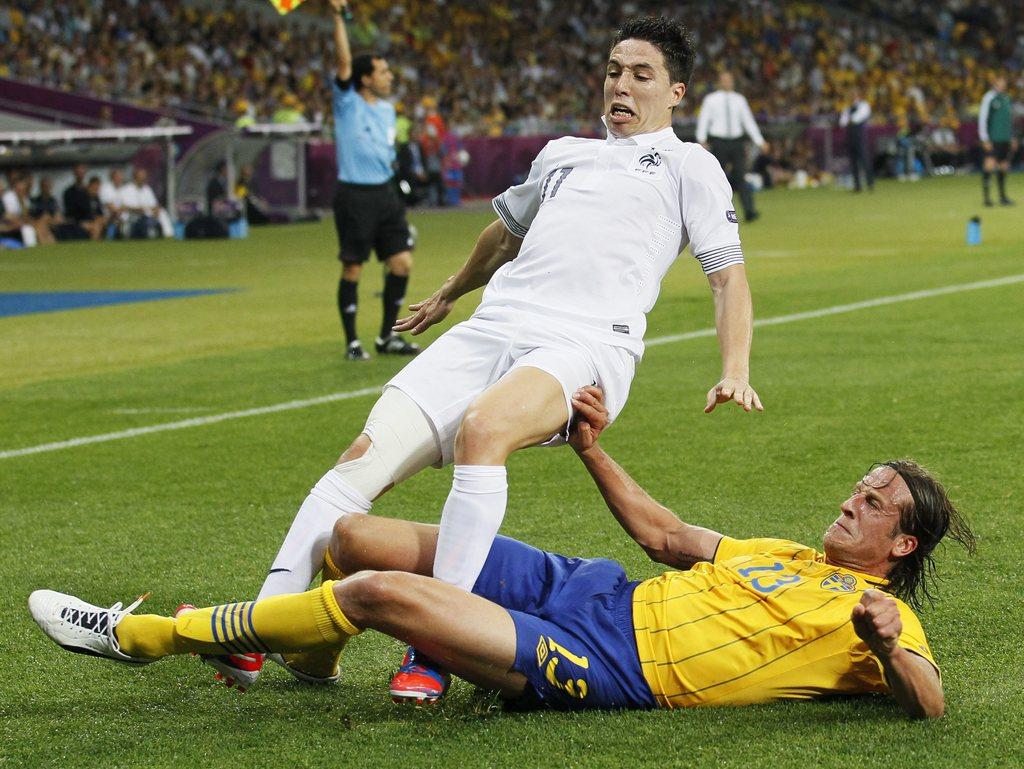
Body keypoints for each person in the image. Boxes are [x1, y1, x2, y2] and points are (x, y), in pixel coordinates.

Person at [173, 14, 761, 701]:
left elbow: (728, 279)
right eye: (612, 70)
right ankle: (261, 626)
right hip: (494, 325)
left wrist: (735, 367)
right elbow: (505, 235)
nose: (620, 85)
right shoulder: (563, 153)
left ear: (676, 92)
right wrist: (450, 291)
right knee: (359, 462)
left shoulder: (691, 166)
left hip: (583, 344)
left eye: (640, 74)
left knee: (484, 430)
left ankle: (435, 646)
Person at [28, 387, 974, 718]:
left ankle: (153, 633)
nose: (850, 501)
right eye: (858, 487)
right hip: (594, 590)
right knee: (351, 536)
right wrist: (595, 451)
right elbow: (667, 536)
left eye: (872, 502)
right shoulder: (782, 554)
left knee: (374, 589)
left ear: (901, 543)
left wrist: (890, 644)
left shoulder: (879, 621)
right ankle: (311, 657)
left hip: (611, 665)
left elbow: (927, 704)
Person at [327, 0, 419, 360]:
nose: (389, 77)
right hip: (354, 194)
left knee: (402, 263)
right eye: (382, 72)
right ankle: (352, 341)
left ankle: (386, 337)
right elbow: (344, 63)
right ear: (366, 78)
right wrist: (337, 16)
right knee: (353, 266)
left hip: (384, 194)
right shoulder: (347, 103)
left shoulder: (387, 110)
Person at [696, 71, 768, 222]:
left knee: (741, 176)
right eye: (724, 80)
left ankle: (749, 211)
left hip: (736, 142)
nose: (727, 83)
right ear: (719, 82)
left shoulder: (739, 100)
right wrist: (701, 139)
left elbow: (748, 121)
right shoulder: (711, 100)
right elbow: (704, 120)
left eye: (729, 80)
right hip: (719, 141)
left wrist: (760, 141)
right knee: (715, 178)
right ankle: (712, 213)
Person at [979, 74, 1016, 207]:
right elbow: (983, 118)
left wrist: (1011, 137)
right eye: (1000, 81)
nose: (1002, 84)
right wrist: (984, 138)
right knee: (989, 164)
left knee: (1003, 166)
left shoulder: (1006, 98)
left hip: (1005, 138)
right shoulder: (989, 97)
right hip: (993, 138)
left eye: (1004, 81)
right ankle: (987, 198)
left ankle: (1002, 197)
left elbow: (1008, 120)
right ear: (995, 83)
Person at [120, 168, 173, 238]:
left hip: (147, 214)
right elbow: (124, 206)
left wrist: (156, 210)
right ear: (135, 177)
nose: (143, 179)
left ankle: (168, 234)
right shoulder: (126, 189)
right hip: (132, 215)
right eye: (141, 177)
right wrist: (138, 210)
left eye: (144, 177)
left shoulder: (147, 189)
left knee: (162, 212)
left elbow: (154, 204)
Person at [839, 87, 874, 192]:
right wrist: (850, 120)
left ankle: (870, 183)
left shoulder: (864, 105)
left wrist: (850, 120)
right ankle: (857, 186)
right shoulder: (847, 108)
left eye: (854, 94)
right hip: (850, 137)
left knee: (864, 160)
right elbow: (842, 122)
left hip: (860, 136)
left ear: (858, 95)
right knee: (853, 162)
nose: (852, 97)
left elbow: (857, 118)